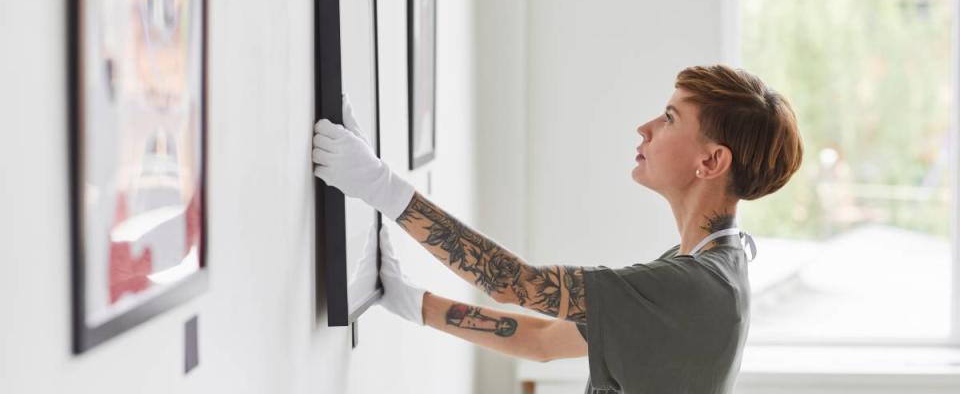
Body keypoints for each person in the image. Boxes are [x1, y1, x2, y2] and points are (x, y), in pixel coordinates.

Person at [312, 65, 803, 394]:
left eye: (670, 118)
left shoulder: (694, 290)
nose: (645, 127)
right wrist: (412, 302)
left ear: (711, 161)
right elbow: (545, 340)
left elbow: (512, 283)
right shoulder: (709, 266)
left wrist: (382, 187)